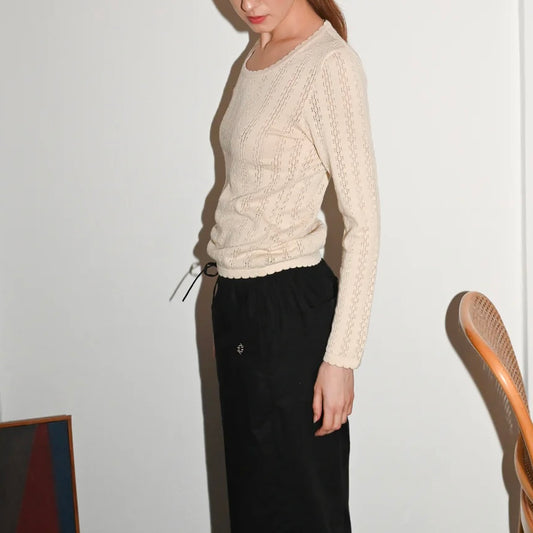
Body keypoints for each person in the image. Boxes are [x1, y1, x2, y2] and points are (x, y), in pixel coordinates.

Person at [187, 1, 380, 531]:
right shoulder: (259, 52)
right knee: (254, 506)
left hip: (288, 312)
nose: (248, 4)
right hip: (237, 302)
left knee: (304, 508)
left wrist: (341, 359)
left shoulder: (330, 64)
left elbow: (364, 224)